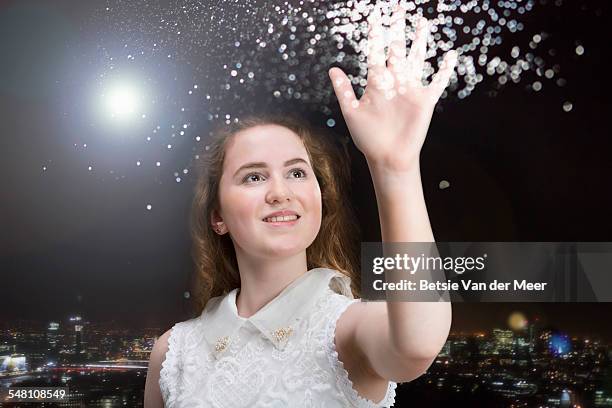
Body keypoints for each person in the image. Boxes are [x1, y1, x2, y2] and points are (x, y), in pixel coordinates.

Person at [144, 3, 458, 407]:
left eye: (296, 173)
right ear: (218, 216)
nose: (280, 192)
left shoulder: (345, 329)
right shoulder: (173, 353)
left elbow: (416, 343)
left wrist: (394, 167)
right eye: (254, 177)